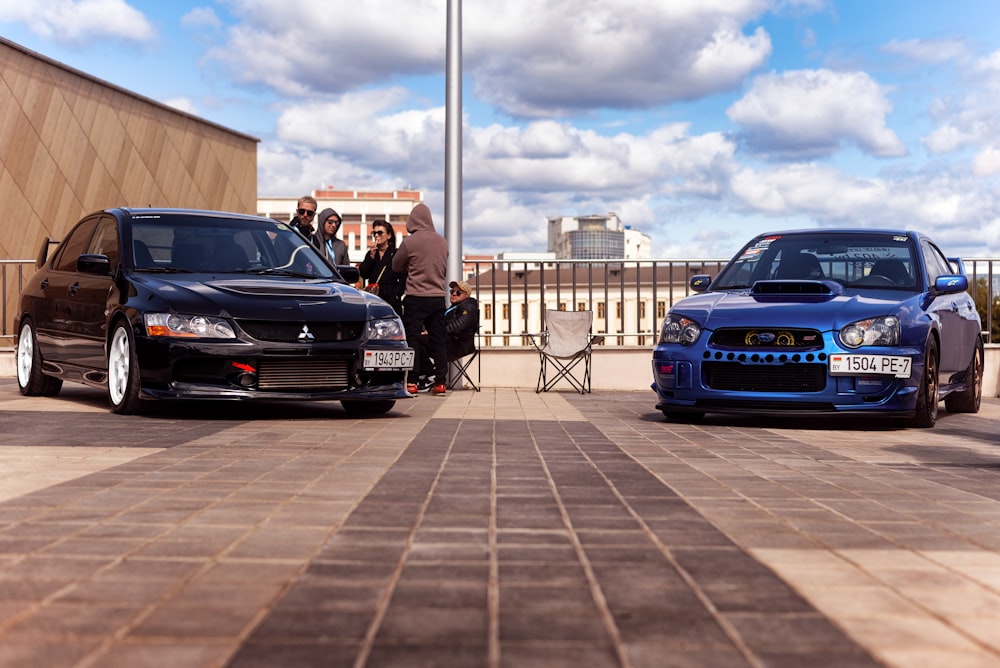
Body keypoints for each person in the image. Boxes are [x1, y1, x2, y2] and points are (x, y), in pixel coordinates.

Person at [392, 203, 448, 396]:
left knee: (413, 340)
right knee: (438, 341)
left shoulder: (410, 242)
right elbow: (443, 268)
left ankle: (412, 382)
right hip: (438, 297)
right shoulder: (442, 241)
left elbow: (396, 265)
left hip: (416, 297)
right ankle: (440, 382)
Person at [414, 279, 479, 390]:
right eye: (452, 291)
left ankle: (430, 374)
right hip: (446, 340)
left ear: (467, 295)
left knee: (418, 341)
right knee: (415, 338)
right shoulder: (453, 307)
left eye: (458, 292)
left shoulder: (469, 307)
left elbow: (459, 324)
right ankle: (426, 374)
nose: (453, 294)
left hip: (457, 345)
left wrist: (435, 332)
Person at [358, 219, 405, 316]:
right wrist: (370, 257)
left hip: (390, 299)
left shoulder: (396, 254)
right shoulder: (372, 254)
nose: (376, 236)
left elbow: (403, 276)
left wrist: (396, 294)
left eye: (380, 233)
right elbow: (363, 273)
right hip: (373, 297)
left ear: (389, 235)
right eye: (374, 233)